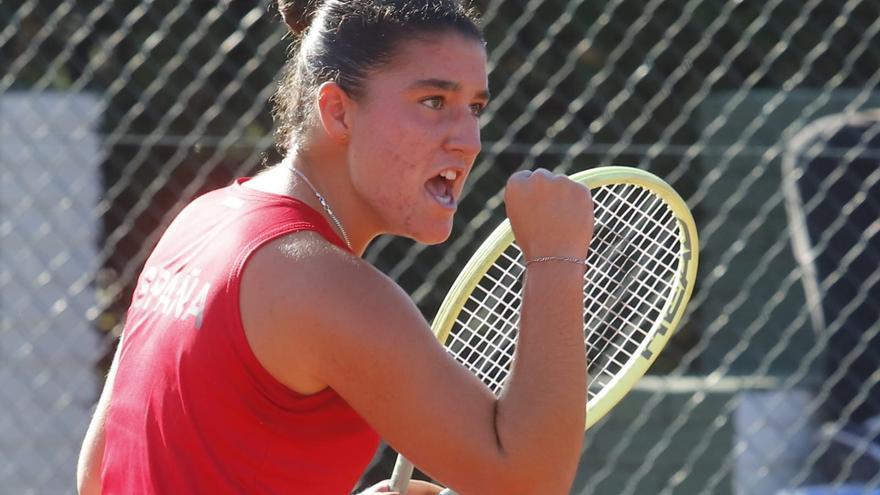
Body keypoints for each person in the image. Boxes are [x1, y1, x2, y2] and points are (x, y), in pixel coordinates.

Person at [76, 1, 594, 493]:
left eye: (475, 107)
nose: (469, 139)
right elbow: (529, 482)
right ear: (338, 112)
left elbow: (101, 474)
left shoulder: (200, 219)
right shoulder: (326, 285)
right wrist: (556, 256)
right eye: (434, 101)